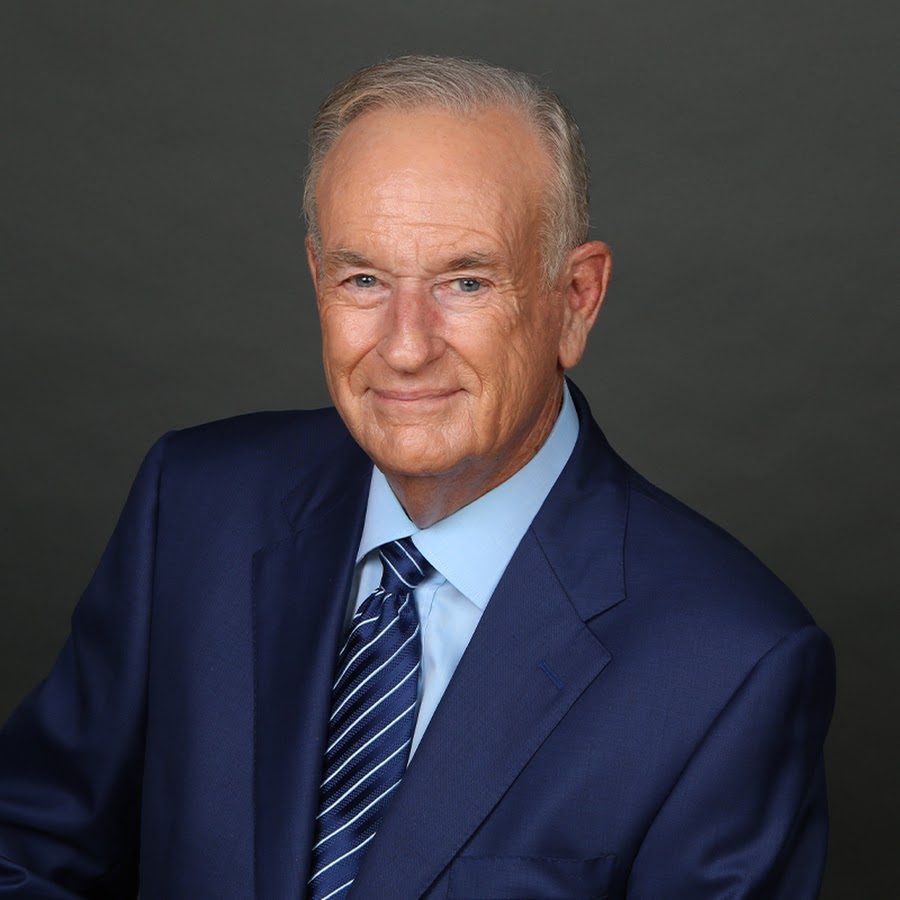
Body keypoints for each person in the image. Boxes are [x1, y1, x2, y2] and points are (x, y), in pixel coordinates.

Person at [0, 56, 834, 899]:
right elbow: (26, 848)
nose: (405, 347)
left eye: (465, 282)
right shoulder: (194, 506)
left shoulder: (732, 663)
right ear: (318, 279)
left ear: (576, 299)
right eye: (364, 279)